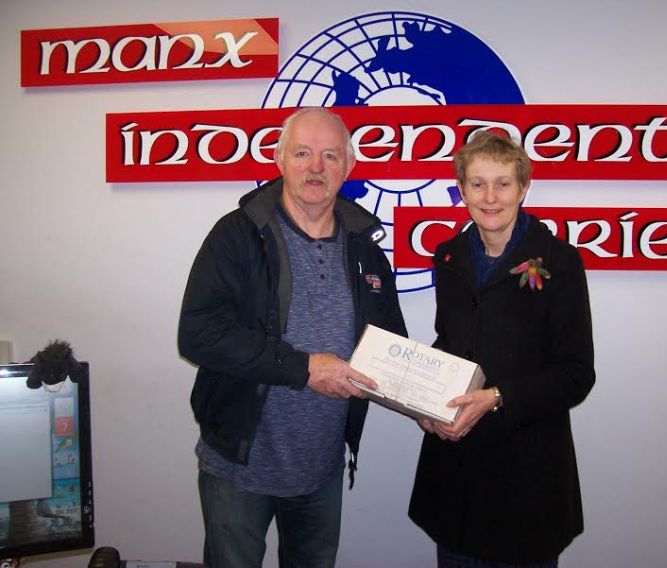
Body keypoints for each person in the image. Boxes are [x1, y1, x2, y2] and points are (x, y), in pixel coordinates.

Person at [178, 107, 406, 568]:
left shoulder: (366, 247)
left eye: (330, 155)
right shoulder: (238, 235)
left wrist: (429, 404)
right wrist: (304, 368)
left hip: (321, 468)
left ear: (350, 165)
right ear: (279, 159)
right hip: (239, 466)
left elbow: (391, 344)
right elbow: (198, 333)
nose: (316, 167)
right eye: (303, 153)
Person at [408, 130, 595, 567]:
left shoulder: (560, 262)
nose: (490, 197)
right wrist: (422, 398)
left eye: (503, 183)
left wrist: (497, 398)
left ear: (524, 188)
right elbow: (449, 342)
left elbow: (576, 374)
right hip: (457, 476)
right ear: (461, 190)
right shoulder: (448, 256)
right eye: (477, 184)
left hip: (526, 480)